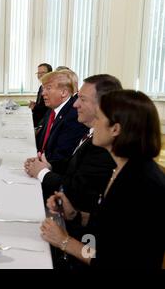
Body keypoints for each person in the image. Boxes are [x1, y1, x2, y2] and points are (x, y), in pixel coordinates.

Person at [41, 90, 165, 269]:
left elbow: (114, 260)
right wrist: (74, 213)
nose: (92, 125)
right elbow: (108, 229)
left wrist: (65, 242)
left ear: (115, 129)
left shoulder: (141, 184)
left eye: (97, 118)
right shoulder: (123, 167)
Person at [25, 75, 122, 211]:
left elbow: (79, 192)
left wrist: (42, 172)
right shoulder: (91, 133)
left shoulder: (103, 145)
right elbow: (73, 169)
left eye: (82, 99)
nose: (75, 104)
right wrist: (49, 166)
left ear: (102, 106)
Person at [33, 70, 87, 163]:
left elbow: (61, 157)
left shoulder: (73, 116)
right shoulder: (54, 108)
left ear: (64, 93)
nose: (43, 93)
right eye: (43, 88)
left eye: (48, 88)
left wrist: (42, 161)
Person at [29, 63, 52, 129]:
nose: (40, 75)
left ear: (50, 73)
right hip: (36, 119)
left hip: (42, 123)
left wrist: (35, 107)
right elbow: (41, 104)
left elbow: (46, 109)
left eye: (43, 72)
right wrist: (35, 104)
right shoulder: (41, 86)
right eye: (38, 73)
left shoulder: (50, 88)